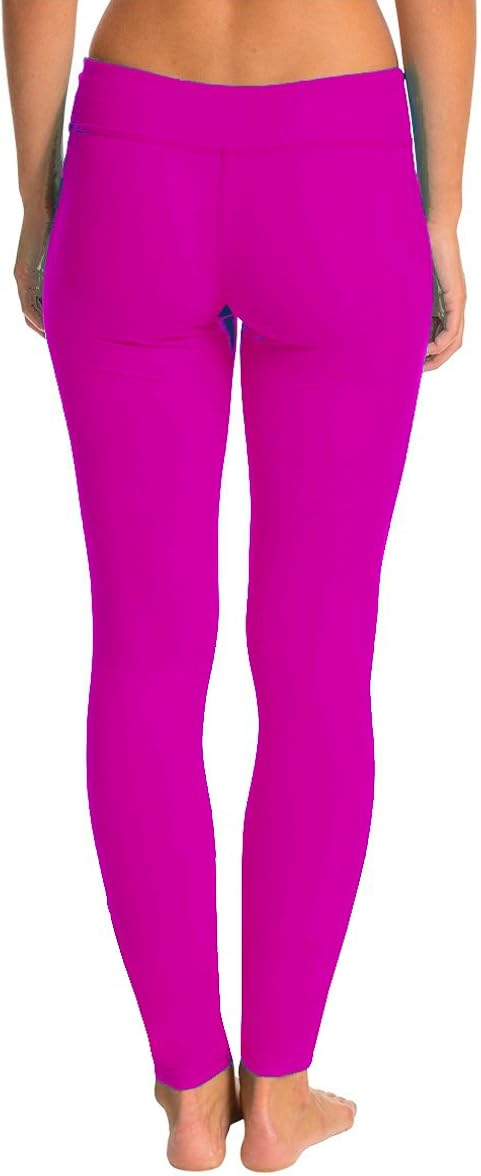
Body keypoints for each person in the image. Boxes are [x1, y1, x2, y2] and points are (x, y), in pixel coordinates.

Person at [4, 1, 475, 1170]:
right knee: (318, 662)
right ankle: (277, 1094)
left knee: (143, 658)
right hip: (338, 156)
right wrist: (441, 211)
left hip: (133, 155)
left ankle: (186, 1091)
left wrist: (39, 196)